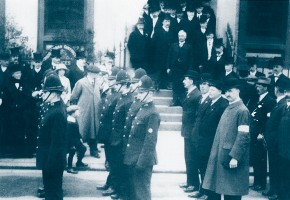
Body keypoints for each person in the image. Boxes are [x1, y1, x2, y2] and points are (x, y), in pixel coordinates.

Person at [202, 78, 251, 200]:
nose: (227, 94)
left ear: (238, 91)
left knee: (232, 193)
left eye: (230, 91)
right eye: (226, 91)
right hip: (221, 156)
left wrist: (235, 157)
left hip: (230, 158)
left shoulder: (242, 110)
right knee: (218, 189)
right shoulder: (229, 107)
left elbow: (243, 136)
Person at [189, 80, 228, 199]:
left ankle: (210, 194)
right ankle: (203, 189)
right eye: (209, 89)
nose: (210, 92)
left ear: (220, 92)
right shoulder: (208, 102)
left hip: (212, 142)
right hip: (202, 141)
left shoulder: (223, 104)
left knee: (210, 170)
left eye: (213, 90)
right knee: (202, 166)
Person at [123, 75, 160, 200]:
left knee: (141, 193)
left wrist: (141, 162)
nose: (138, 95)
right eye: (138, 92)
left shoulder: (152, 113)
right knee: (133, 193)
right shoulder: (142, 108)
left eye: (141, 92)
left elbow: (150, 142)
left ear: (150, 93)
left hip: (141, 160)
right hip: (132, 157)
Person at [36, 74, 67, 200]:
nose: (42, 95)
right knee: (51, 192)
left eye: (45, 92)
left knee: (53, 194)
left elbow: (57, 143)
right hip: (49, 159)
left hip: (52, 162)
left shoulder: (57, 112)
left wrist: (49, 165)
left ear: (53, 93)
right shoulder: (55, 107)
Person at [109, 70, 134, 199]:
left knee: (122, 169)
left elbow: (127, 124)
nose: (115, 86)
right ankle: (118, 190)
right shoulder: (122, 97)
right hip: (115, 139)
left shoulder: (129, 100)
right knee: (117, 166)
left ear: (124, 85)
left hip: (121, 141)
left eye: (117, 84)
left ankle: (123, 193)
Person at [188, 73, 212, 198]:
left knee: (204, 167)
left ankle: (206, 192)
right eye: (201, 84)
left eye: (205, 84)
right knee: (199, 164)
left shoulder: (210, 100)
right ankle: (201, 189)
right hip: (197, 137)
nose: (202, 87)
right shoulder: (201, 99)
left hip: (204, 139)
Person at [263, 78, 288, 200]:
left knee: (277, 168)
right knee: (274, 167)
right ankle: (274, 189)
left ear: (277, 89)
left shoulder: (282, 104)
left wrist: (273, 141)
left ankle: (277, 191)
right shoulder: (280, 103)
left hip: (277, 143)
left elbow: (279, 127)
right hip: (274, 142)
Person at [70, 64, 102, 158]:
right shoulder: (81, 82)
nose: (96, 75)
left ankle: (94, 149)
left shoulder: (97, 82)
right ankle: (79, 150)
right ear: (89, 73)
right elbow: (73, 96)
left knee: (94, 130)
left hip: (95, 111)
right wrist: (75, 109)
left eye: (97, 73)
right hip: (84, 111)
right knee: (82, 130)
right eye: (95, 73)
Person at [250, 77, 276, 191]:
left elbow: (269, 120)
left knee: (261, 159)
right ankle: (256, 181)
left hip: (260, 134)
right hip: (253, 132)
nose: (257, 88)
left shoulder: (270, 101)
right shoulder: (257, 98)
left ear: (265, 87)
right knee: (255, 158)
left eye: (259, 86)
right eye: (256, 86)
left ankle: (261, 183)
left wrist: (262, 133)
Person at [179, 70, 201, 193]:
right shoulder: (190, 93)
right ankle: (189, 181)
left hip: (192, 132)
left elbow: (197, 116)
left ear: (191, 81)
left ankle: (193, 183)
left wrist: (193, 132)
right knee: (188, 157)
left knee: (192, 158)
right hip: (187, 131)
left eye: (185, 79)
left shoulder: (196, 95)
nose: (183, 81)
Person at [167, 30, 193, 106]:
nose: (180, 37)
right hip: (175, 69)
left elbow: (191, 59)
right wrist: (168, 67)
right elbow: (169, 57)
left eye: (182, 36)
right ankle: (174, 101)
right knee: (175, 85)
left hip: (184, 70)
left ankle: (183, 101)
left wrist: (189, 70)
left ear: (185, 37)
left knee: (182, 85)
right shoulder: (173, 45)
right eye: (179, 36)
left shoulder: (189, 47)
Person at [277, 79, 290, 200]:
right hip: (283, 149)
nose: (288, 94)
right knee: (284, 174)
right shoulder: (284, 108)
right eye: (286, 91)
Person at [66, 105, 88, 174]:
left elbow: (77, 132)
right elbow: (68, 135)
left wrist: (80, 138)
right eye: (77, 112)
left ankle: (79, 162)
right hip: (71, 141)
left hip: (76, 139)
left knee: (83, 149)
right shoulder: (69, 122)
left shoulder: (74, 119)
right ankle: (69, 167)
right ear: (72, 113)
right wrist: (72, 145)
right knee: (71, 152)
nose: (79, 113)